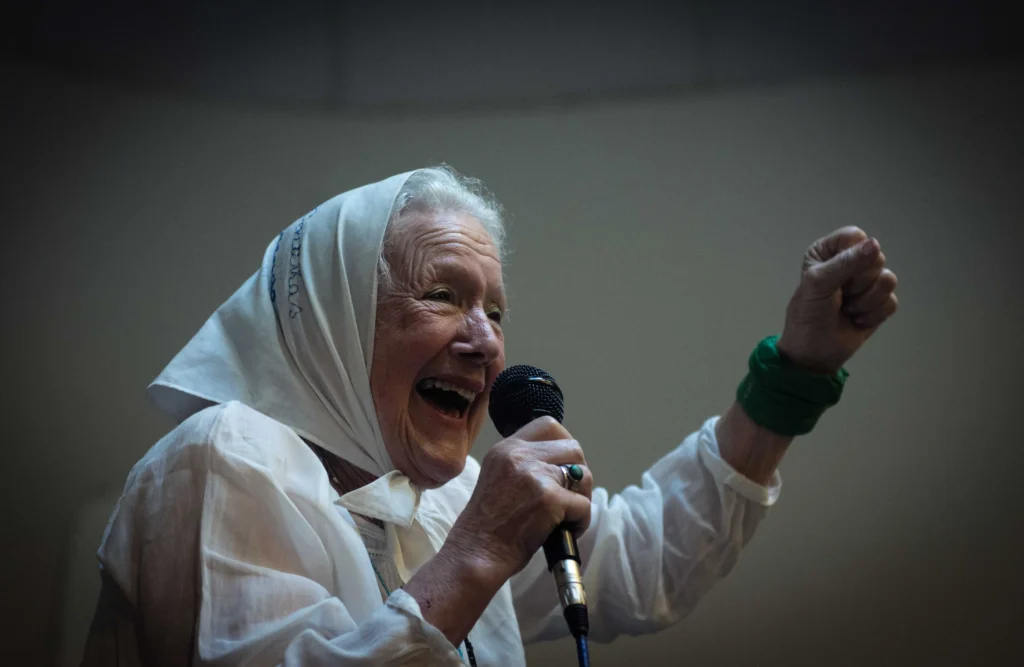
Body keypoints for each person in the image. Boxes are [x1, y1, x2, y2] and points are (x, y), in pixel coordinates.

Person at [81, 166, 898, 666]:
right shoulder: (227, 452)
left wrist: (796, 372)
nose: (486, 343)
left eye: (497, 312)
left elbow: (648, 561)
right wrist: (475, 552)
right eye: (443, 295)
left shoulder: (438, 498)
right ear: (334, 322)